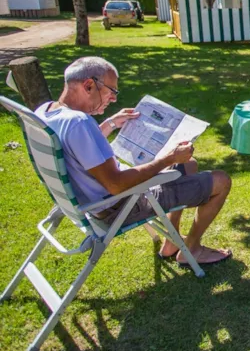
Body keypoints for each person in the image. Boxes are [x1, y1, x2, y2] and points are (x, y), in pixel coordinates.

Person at [34, 56, 233, 266]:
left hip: (90, 204)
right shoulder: (79, 122)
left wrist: (110, 123)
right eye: (112, 91)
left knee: (188, 165)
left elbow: (76, 148)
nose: (113, 99)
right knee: (221, 180)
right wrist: (169, 158)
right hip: (119, 206)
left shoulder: (47, 113)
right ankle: (192, 249)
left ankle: (171, 242)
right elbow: (117, 184)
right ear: (89, 85)